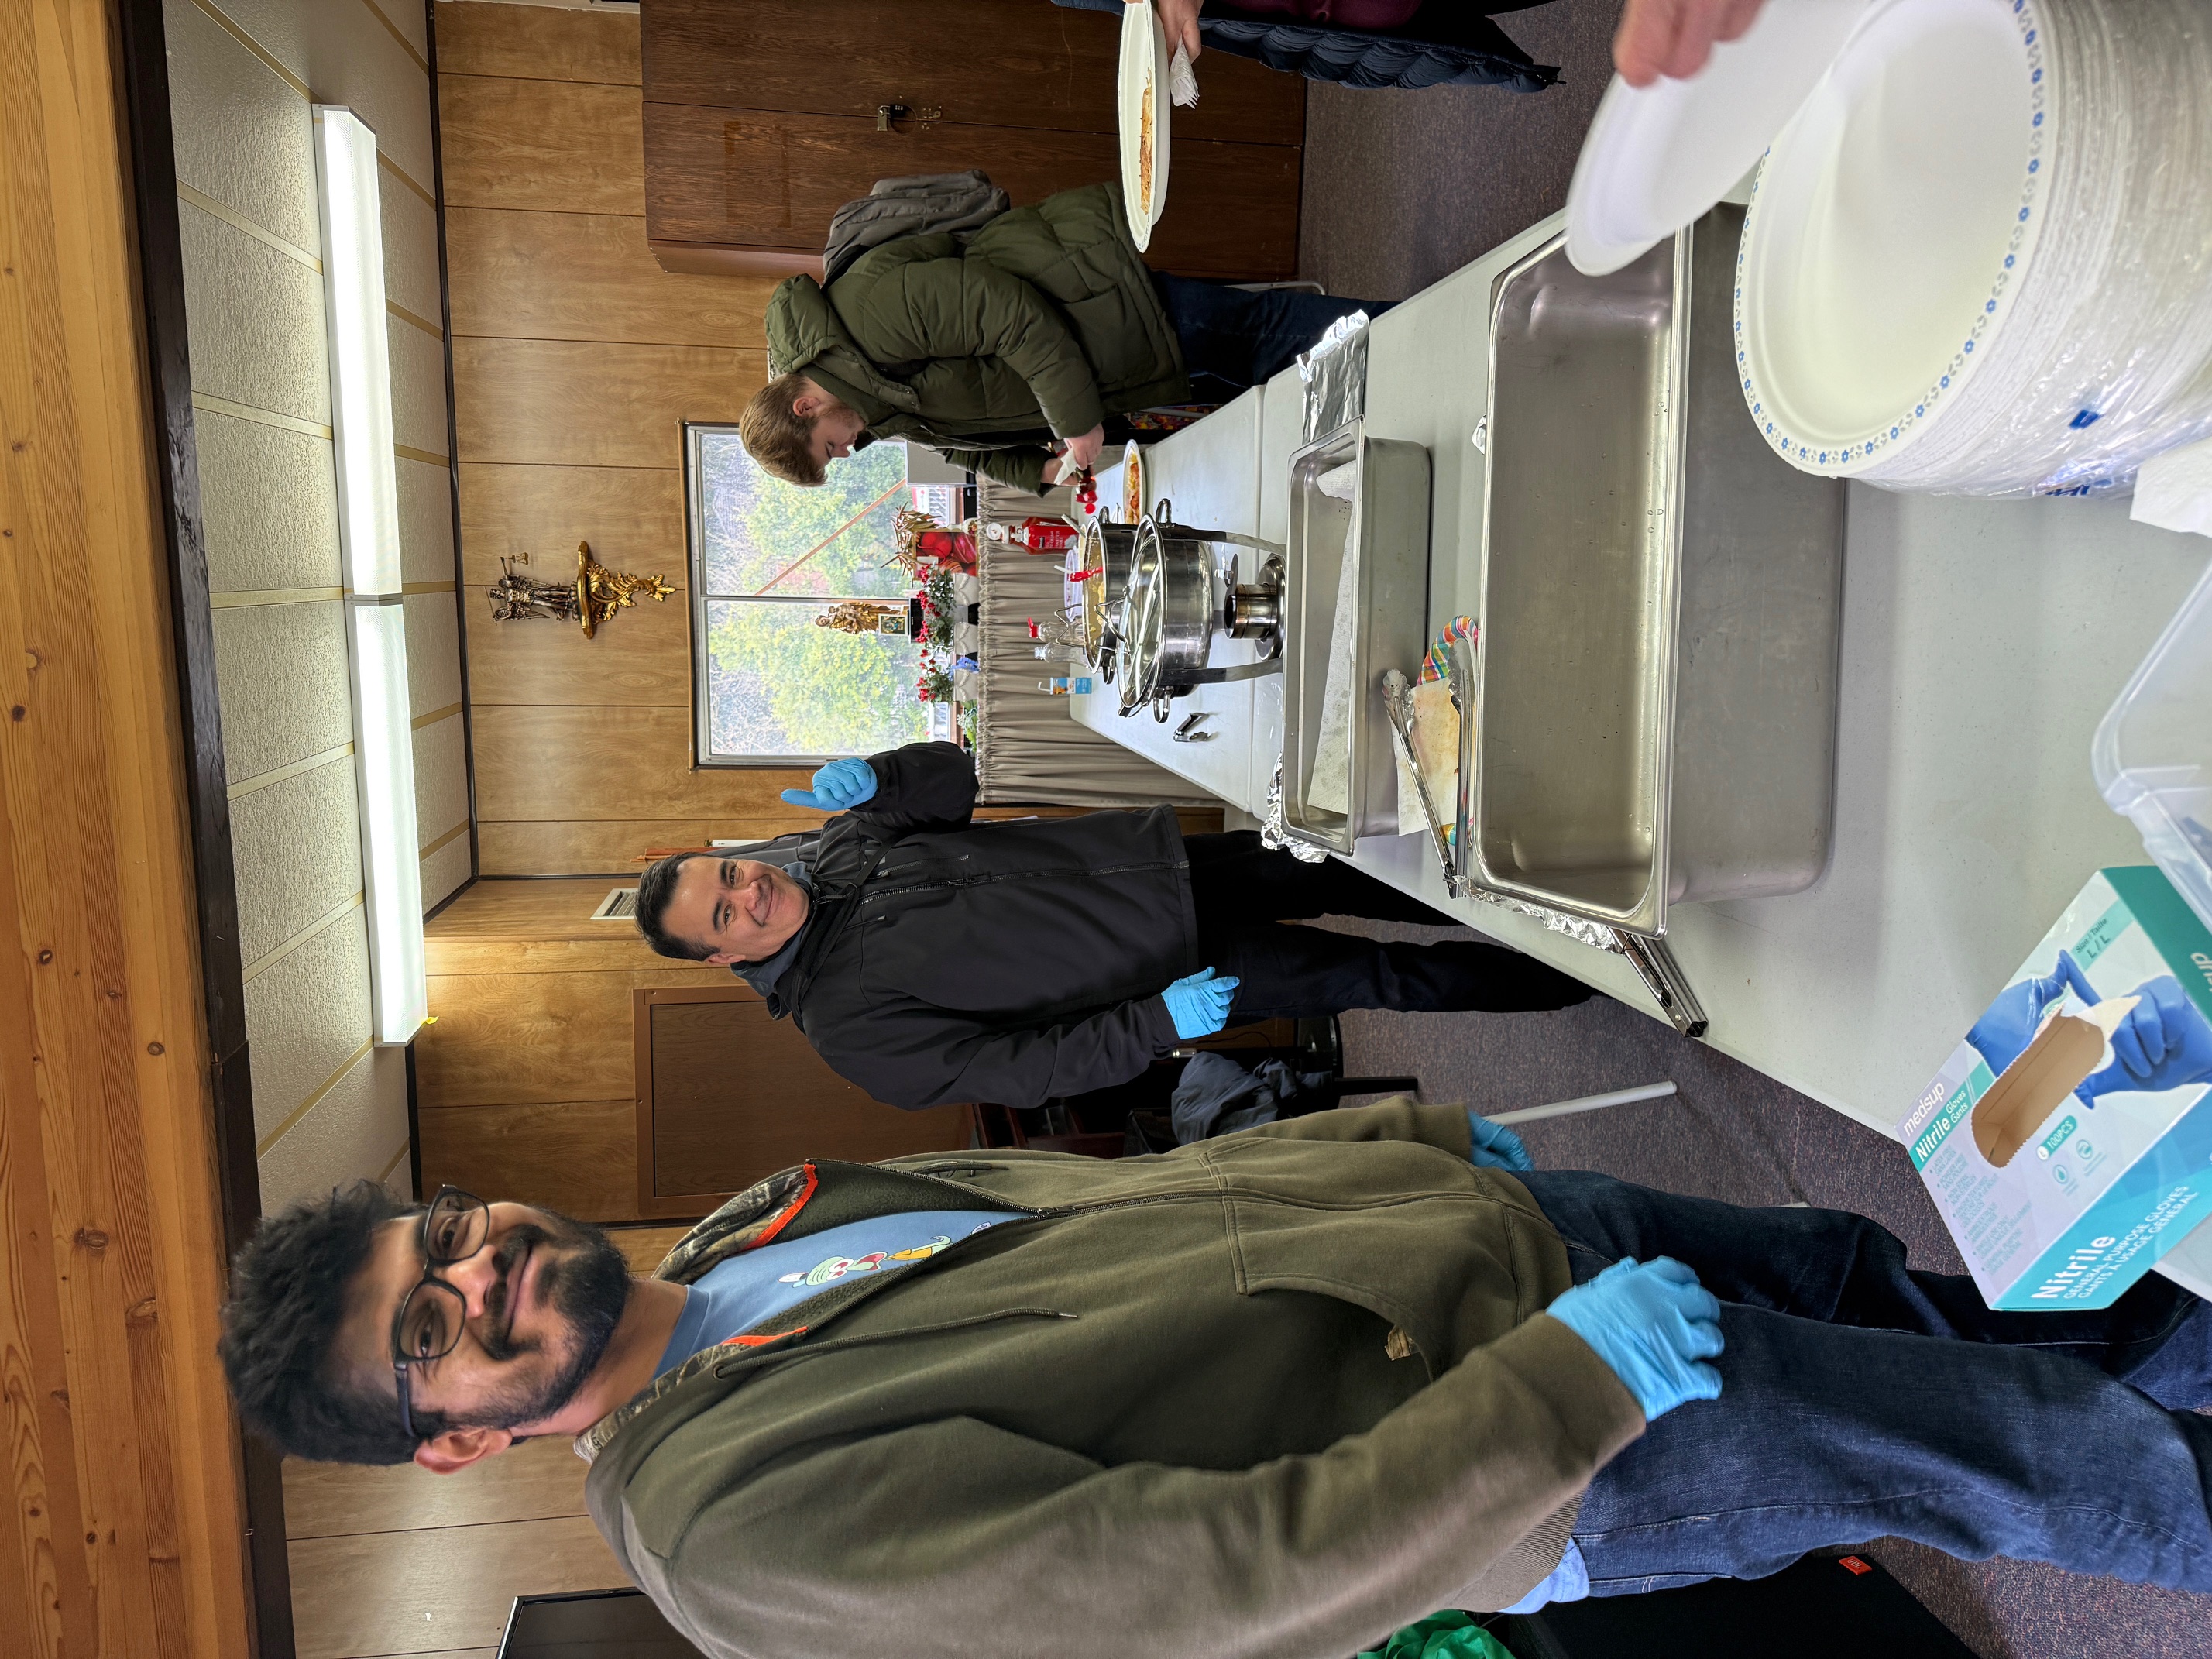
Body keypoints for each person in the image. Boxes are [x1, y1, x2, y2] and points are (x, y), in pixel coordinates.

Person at [217, 1102, 2212, 1659]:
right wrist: (1569, 1401)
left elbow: (1138, 1215)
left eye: (447, 1236)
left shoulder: (749, 1222)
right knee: (2021, 1459)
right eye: (434, 1332)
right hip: (1553, 1445)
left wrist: (1408, 1157)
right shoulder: (727, 1542)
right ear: (463, 1437)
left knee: (1927, 1296)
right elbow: (1218, 1586)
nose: (480, 1273)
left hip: (1510, 1250)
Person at [627, 740, 1589, 1111]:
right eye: (726, 910)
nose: (750, 890)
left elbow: (956, 779)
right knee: (1385, 980)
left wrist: (882, 776)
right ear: (722, 956)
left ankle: (1544, 898)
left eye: (731, 870)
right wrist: (1161, 1025)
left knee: (1368, 877)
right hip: (1176, 973)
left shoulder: (840, 847)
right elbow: (1032, 1069)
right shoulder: (852, 1033)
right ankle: (1586, 980)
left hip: (1165, 861)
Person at [743, 180, 1392, 494]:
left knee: (1276, 337)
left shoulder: (866, 317)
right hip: (1111, 356)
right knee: (1265, 372)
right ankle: (1416, 370)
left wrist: (1076, 421)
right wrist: (1040, 469)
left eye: (832, 448)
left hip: (1103, 304)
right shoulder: (871, 402)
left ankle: (1447, 320)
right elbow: (962, 446)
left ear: (807, 406)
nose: (849, 449)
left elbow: (1005, 312)